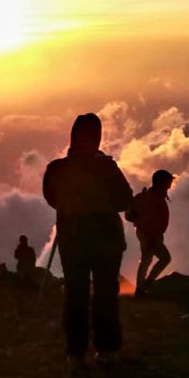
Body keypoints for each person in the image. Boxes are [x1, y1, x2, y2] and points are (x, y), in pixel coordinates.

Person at [43, 113, 133, 363]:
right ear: (97, 137)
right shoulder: (106, 167)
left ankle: (76, 352)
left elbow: (52, 199)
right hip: (106, 238)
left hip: (72, 237)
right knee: (105, 292)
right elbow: (124, 200)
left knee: (75, 292)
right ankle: (107, 350)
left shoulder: (57, 168)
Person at [129, 169, 173, 296]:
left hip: (149, 233)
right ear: (161, 182)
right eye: (168, 182)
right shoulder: (151, 197)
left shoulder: (152, 196)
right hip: (149, 233)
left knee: (147, 259)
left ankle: (142, 287)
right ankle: (145, 285)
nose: (170, 185)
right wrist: (152, 235)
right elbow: (142, 215)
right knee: (163, 258)